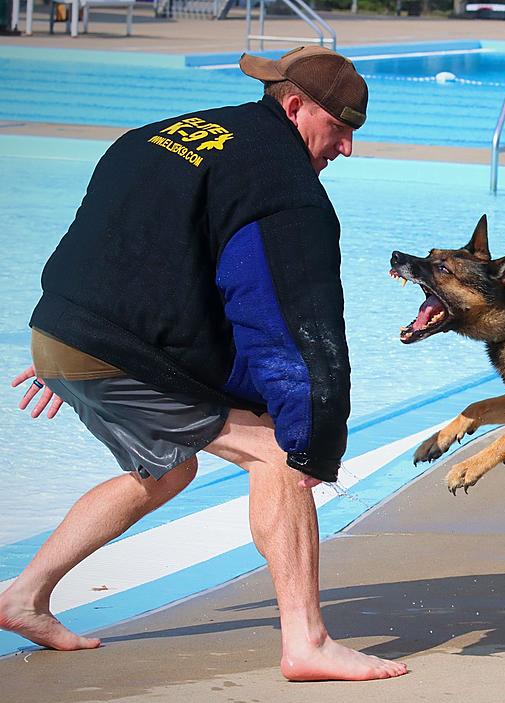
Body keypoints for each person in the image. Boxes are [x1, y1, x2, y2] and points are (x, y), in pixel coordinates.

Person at [0, 46, 408, 682]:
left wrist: (67, 343)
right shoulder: (284, 187)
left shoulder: (166, 134)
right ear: (296, 107)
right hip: (113, 347)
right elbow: (292, 325)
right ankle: (307, 643)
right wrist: (314, 439)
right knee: (277, 453)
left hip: (62, 331)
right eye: (340, 126)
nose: (347, 148)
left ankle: (23, 598)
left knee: (165, 470)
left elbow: (111, 234)